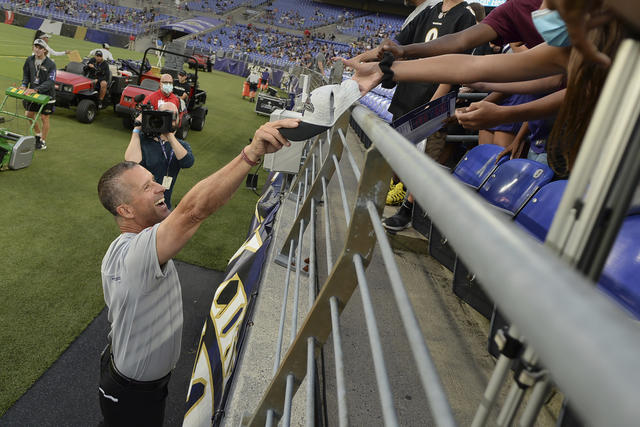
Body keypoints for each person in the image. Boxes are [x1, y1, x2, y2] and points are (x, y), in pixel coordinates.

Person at [97, 117, 300, 426]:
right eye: (146, 187)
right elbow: (193, 211)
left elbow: (201, 207)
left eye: (154, 179)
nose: (159, 187)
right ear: (124, 210)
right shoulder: (137, 254)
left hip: (127, 379)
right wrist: (251, 154)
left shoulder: (125, 247)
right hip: (133, 392)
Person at [124, 102, 194, 209]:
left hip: (164, 205)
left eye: (173, 116)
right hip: (141, 205)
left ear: (179, 119)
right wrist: (136, 129)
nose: (171, 119)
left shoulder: (181, 145)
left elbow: (188, 162)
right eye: (166, 115)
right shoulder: (143, 140)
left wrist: (169, 136)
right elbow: (131, 163)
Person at [21, 39, 56, 150]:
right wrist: (24, 84)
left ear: (45, 50)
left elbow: (51, 82)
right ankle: (38, 134)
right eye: (35, 46)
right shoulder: (29, 60)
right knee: (28, 115)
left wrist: (36, 89)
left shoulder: (51, 64)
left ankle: (43, 141)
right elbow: (26, 74)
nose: (37, 49)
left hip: (47, 95)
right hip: (33, 93)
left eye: (40, 48)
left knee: (44, 117)